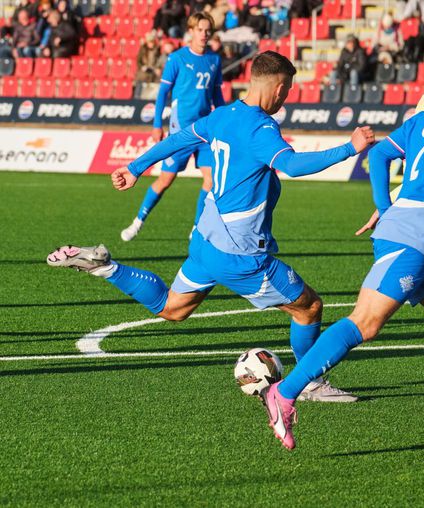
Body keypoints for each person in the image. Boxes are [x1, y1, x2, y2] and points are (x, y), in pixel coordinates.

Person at [47, 50, 375, 403]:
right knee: (308, 307)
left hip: (206, 241)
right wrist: (350, 148)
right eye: (289, 89)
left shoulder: (222, 115)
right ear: (279, 87)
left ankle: (105, 266)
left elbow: (178, 140)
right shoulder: (261, 127)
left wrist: (135, 167)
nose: (288, 96)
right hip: (241, 252)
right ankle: (308, 382)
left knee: (173, 308)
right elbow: (292, 165)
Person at [260, 49, 424, 452]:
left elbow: (379, 154)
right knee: (366, 322)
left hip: (420, 237)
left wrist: (384, 204)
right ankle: (283, 394)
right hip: (412, 236)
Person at [120, 13, 224, 242]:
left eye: (208, 30)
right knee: (165, 180)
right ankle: (138, 222)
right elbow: (162, 94)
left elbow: (216, 93)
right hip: (181, 131)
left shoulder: (215, 60)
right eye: (200, 29)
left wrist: (224, 119)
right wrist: (157, 124)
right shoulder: (176, 58)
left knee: (211, 180)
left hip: (205, 130)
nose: (205, 34)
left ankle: (197, 228)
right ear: (191, 31)